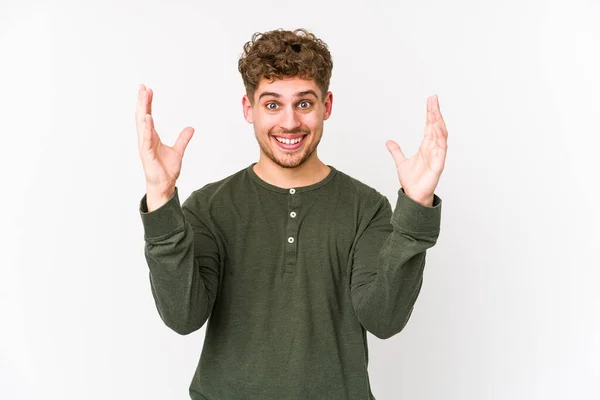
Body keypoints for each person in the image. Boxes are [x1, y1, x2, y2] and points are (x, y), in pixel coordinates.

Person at [136, 28, 447, 400]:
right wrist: (160, 197)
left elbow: (384, 319)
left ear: (326, 106)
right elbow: (183, 316)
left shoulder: (367, 207)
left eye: (304, 103)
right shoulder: (209, 207)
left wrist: (415, 208)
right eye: (272, 104)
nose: (289, 123)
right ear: (248, 109)